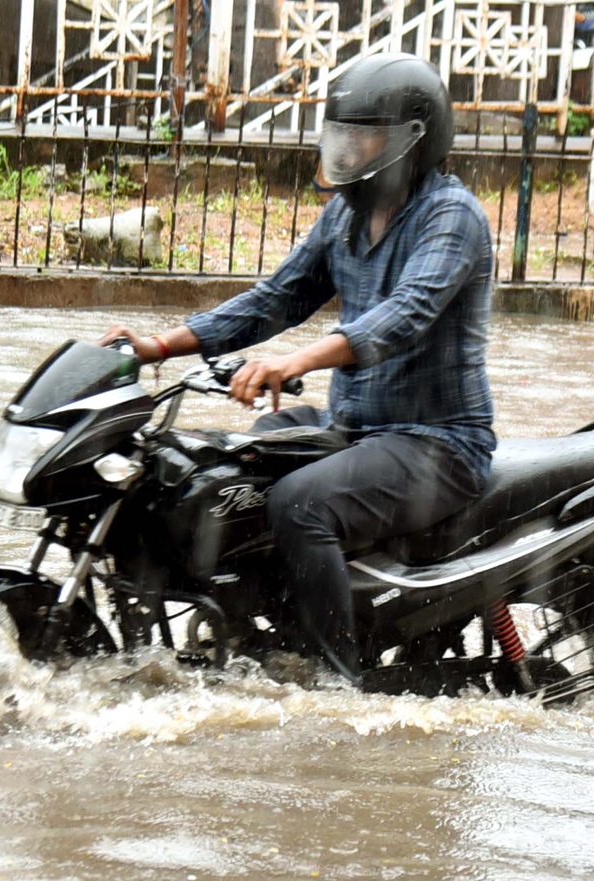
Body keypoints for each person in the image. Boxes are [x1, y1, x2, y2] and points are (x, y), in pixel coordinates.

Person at [101, 53, 496, 682]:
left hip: (438, 443)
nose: (350, 149)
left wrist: (296, 360)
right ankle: (257, 632)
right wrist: (156, 346)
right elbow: (277, 297)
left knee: (299, 503)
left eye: (367, 136)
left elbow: (406, 314)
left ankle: (337, 677)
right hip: (356, 426)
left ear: (414, 141)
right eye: (343, 134)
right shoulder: (344, 215)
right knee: (231, 473)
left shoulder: (452, 217)